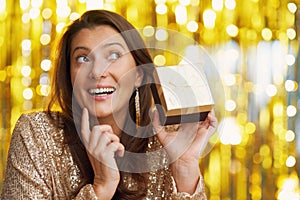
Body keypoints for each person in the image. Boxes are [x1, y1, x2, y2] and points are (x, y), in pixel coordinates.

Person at [1, 9, 217, 199]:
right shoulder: (36, 134)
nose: (96, 72)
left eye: (113, 55)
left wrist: (184, 168)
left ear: (139, 75)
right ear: (70, 75)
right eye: (83, 58)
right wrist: (101, 188)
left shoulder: (162, 145)